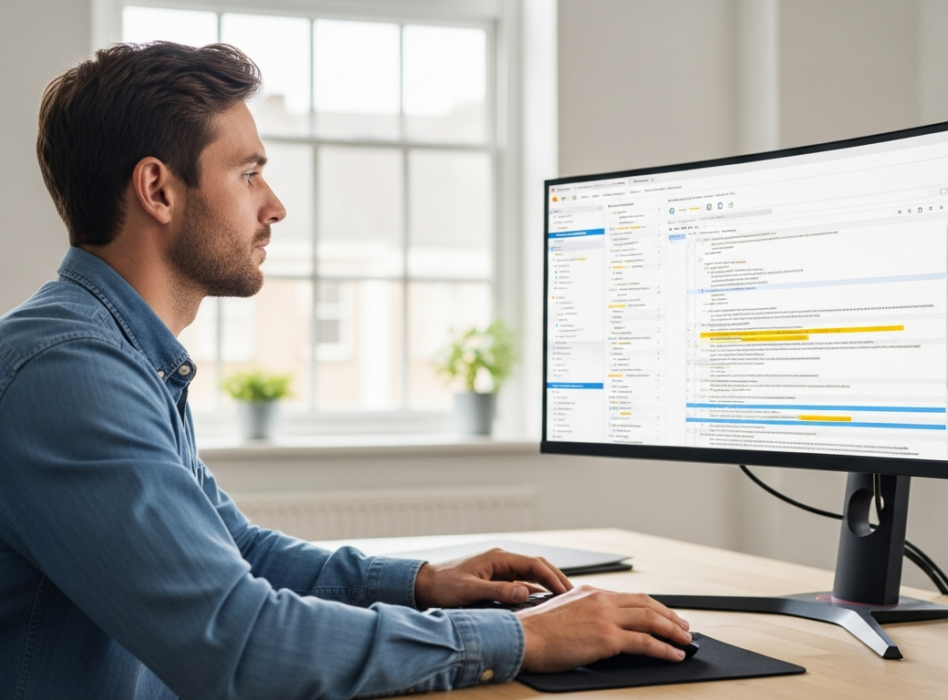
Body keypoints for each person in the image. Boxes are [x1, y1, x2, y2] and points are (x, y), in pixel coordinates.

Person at [0, 42, 691, 700]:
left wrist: (422, 583)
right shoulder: (68, 370)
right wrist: (517, 636)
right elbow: (238, 644)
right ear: (158, 189)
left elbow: (236, 552)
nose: (274, 207)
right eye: (248, 174)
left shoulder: (116, 353)